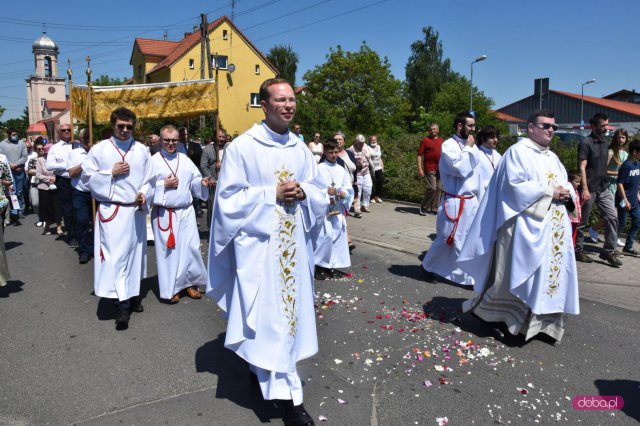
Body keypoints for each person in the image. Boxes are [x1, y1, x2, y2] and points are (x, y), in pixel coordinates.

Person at [206, 78, 326, 426]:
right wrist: (269, 194)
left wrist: (305, 193)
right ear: (264, 104)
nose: (288, 105)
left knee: (286, 325)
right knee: (271, 322)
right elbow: (226, 202)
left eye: (291, 100)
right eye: (281, 100)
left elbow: (317, 189)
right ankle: (291, 401)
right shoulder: (243, 148)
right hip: (261, 252)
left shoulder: (301, 149)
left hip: (293, 249)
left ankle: (278, 384)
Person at [458, 109, 579, 342]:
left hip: (551, 229)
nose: (551, 130)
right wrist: (549, 192)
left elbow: (564, 181)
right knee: (515, 276)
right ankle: (498, 319)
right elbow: (513, 187)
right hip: (523, 227)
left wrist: (567, 192)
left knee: (546, 277)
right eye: (545, 126)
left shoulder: (551, 157)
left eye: (554, 126)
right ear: (531, 128)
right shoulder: (517, 152)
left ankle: (538, 325)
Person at [81, 107, 151, 330]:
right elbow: (87, 178)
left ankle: (131, 295)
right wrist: (110, 173)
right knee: (116, 258)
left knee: (135, 257)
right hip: (112, 211)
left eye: (129, 127)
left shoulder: (141, 150)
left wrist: (144, 194)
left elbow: (150, 179)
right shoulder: (100, 150)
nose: (125, 130)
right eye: (121, 126)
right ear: (113, 125)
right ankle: (122, 305)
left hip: (134, 211)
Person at [149, 125, 212, 303]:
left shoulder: (184, 159)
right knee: (169, 253)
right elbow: (144, 189)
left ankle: (190, 284)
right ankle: (171, 289)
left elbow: (194, 181)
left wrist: (203, 183)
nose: (170, 143)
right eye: (167, 140)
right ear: (161, 141)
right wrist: (163, 185)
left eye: (174, 140)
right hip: (164, 213)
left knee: (192, 248)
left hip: (185, 211)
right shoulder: (153, 161)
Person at [421, 113, 481, 286]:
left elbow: (477, 172)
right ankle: (427, 266)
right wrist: (469, 149)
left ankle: (467, 276)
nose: (473, 129)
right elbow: (459, 169)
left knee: (467, 239)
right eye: (470, 126)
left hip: (470, 200)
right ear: (460, 126)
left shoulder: (472, 146)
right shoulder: (448, 145)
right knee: (448, 237)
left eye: (474, 126)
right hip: (455, 200)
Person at [575, 113, 622, 266]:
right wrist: (585, 189)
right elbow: (582, 167)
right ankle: (578, 250)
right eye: (602, 126)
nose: (605, 128)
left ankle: (608, 251)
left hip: (603, 188)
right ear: (594, 126)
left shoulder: (604, 142)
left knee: (613, 216)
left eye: (607, 125)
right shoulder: (586, 143)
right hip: (589, 188)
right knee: (583, 221)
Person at [314, 138, 354, 280]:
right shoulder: (318, 169)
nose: (334, 155)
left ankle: (331, 266)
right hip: (323, 211)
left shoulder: (341, 169)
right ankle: (318, 265)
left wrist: (344, 194)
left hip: (337, 209)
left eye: (336, 152)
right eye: (330, 152)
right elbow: (311, 188)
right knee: (324, 237)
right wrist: (325, 191)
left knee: (336, 238)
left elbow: (349, 189)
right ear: (325, 152)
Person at [45, 124, 78, 247]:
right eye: (63, 130)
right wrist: (67, 164)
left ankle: (81, 234)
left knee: (79, 209)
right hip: (64, 181)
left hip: (79, 180)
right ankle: (72, 236)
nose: (67, 132)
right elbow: (49, 165)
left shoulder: (77, 145)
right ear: (59, 133)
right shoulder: (55, 148)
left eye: (69, 129)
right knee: (68, 211)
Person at [67, 128, 93, 264]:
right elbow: (71, 173)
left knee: (99, 223)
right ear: (80, 140)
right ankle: (84, 250)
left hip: (97, 193)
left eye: (90, 137)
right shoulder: (74, 153)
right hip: (81, 193)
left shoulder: (98, 151)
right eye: (85, 138)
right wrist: (85, 163)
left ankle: (98, 247)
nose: (88, 140)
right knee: (82, 221)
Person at [615, 139, 640, 255]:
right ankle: (611, 248)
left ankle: (628, 247)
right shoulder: (626, 165)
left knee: (637, 222)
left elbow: (635, 182)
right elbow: (620, 183)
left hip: (634, 200)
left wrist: (638, 194)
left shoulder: (637, 164)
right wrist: (625, 200)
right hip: (624, 200)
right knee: (621, 224)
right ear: (635, 152)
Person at [0, 128, 28, 225]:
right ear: (8, 135)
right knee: (13, 192)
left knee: (19, 192)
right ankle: (15, 212)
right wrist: (10, 165)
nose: (15, 136)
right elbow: (2, 158)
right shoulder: (2, 144)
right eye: (13, 134)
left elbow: (25, 156)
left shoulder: (21, 143)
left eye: (16, 134)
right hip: (9, 173)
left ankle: (21, 208)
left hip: (19, 171)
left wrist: (17, 164)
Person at [35, 143, 63, 236]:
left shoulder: (57, 160)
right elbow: (38, 174)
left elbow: (60, 170)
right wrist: (49, 179)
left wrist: (56, 178)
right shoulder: (40, 160)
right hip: (44, 187)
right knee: (47, 208)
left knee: (57, 206)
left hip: (56, 185)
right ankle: (47, 226)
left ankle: (59, 227)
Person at [417, 123, 444, 215]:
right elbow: (419, 155)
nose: (433, 131)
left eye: (434, 129)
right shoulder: (425, 140)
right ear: (428, 131)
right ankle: (423, 207)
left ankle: (434, 208)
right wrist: (420, 168)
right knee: (432, 187)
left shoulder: (441, 140)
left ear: (438, 130)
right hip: (429, 168)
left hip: (440, 168)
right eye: (431, 129)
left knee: (439, 188)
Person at [200, 131, 221, 229]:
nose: (221, 138)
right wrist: (211, 179)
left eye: (223, 136)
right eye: (219, 136)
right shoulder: (207, 150)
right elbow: (203, 166)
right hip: (213, 183)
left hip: (226, 183)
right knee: (212, 207)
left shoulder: (228, 149)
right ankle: (211, 230)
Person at [348, 134, 373, 214]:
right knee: (358, 191)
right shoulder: (351, 149)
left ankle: (365, 205)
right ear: (356, 142)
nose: (362, 144)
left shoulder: (366, 146)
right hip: (358, 173)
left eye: (363, 142)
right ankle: (357, 207)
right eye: (360, 143)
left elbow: (372, 155)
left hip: (366, 171)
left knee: (368, 188)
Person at [476, 125, 502, 200]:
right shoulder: (476, 154)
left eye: (496, 137)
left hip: (496, 194)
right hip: (481, 195)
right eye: (492, 137)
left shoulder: (497, 154)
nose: (495, 140)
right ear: (483, 138)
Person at [27, 138, 43, 227]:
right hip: (35, 183)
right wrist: (41, 171)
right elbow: (30, 171)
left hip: (46, 184)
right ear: (35, 150)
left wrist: (37, 171)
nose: (41, 150)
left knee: (46, 203)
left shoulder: (48, 159)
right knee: (35, 203)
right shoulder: (33, 160)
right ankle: (40, 217)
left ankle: (45, 219)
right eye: (38, 149)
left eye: (42, 149)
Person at [568, 170, 583, 247]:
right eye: (576, 182)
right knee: (569, 232)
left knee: (574, 233)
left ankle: (572, 246)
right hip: (570, 217)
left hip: (575, 216)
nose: (579, 184)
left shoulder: (576, 191)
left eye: (579, 182)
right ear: (569, 181)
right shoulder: (569, 191)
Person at [368, 135, 384, 203]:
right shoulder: (367, 148)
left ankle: (377, 196)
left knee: (380, 181)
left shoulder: (378, 146)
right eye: (372, 140)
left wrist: (382, 164)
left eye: (374, 140)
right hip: (371, 167)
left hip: (379, 167)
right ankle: (372, 197)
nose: (373, 141)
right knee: (371, 183)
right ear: (369, 141)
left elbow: (379, 157)